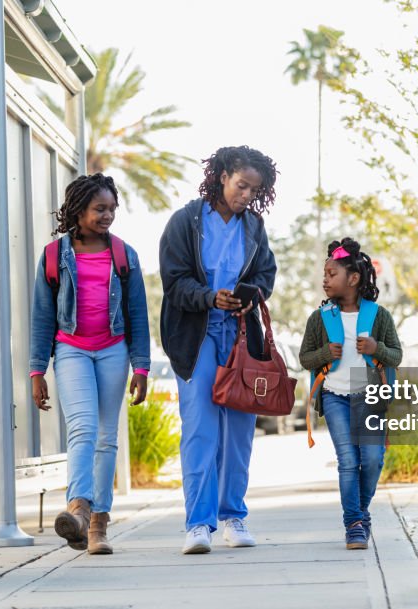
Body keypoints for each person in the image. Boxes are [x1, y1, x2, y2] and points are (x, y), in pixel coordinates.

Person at [159, 145, 278, 554]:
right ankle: (198, 524)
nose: (246, 195)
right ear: (222, 175)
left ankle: (234, 517)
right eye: (241, 185)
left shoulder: (254, 227)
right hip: (196, 337)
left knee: (240, 432)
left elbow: (265, 272)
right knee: (201, 428)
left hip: (242, 336)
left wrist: (249, 295)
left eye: (253, 190)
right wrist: (210, 297)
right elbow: (174, 282)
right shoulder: (184, 222)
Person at [29, 173, 151, 555]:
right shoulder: (54, 256)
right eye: (100, 209)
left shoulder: (123, 254)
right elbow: (42, 316)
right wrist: (37, 370)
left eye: (112, 209)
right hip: (72, 349)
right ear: (78, 210)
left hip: (113, 349)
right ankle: (78, 507)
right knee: (82, 428)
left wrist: (142, 367)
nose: (107, 216)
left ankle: (98, 524)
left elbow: (137, 314)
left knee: (106, 436)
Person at [298, 237, 402, 550]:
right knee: (347, 460)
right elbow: (305, 358)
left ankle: (361, 511)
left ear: (353, 279)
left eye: (332, 274)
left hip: (370, 397)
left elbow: (395, 355)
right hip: (334, 397)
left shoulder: (378, 315)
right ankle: (354, 524)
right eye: (325, 274)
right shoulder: (320, 318)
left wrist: (376, 348)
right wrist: (323, 355)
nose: (325, 279)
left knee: (371, 459)